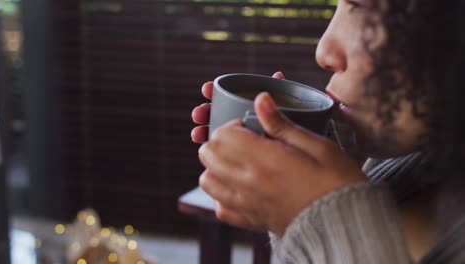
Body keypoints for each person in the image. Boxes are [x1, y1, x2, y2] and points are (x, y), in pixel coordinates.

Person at [191, 0, 465, 263]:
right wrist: (300, 188)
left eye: (359, 6)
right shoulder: (415, 155)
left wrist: (327, 218)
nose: (323, 52)